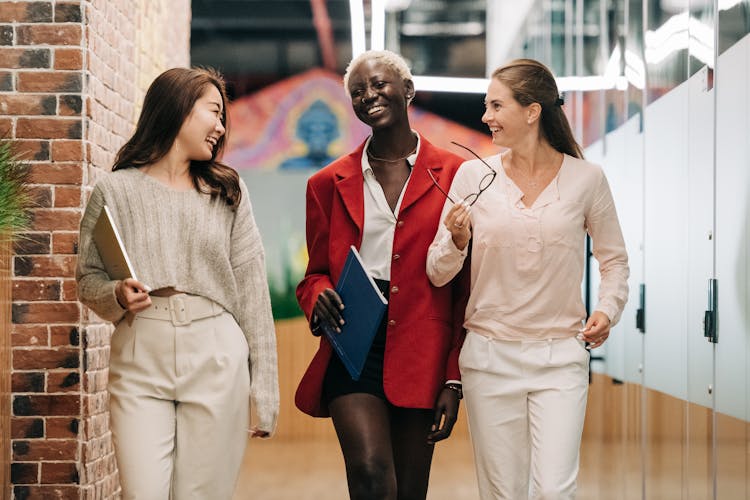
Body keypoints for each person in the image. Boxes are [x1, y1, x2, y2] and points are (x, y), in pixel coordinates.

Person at [426, 59, 629, 499]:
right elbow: (437, 272)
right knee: (503, 492)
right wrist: (456, 240)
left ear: (532, 111)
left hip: (560, 360)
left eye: (496, 105)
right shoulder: (473, 176)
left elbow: (614, 261)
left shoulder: (586, 179)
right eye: (486, 106)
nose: (486, 117)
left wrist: (607, 310)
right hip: (488, 360)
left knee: (556, 491)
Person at [76, 67, 279, 499]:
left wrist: (264, 387)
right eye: (214, 112)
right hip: (139, 353)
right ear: (179, 109)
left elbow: (252, 292)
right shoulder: (114, 190)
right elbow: (87, 277)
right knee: (143, 492)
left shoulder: (228, 192)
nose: (221, 127)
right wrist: (115, 293)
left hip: (217, 352)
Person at [294, 50, 469, 500]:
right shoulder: (325, 184)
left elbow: (466, 288)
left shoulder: (456, 175)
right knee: (371, 474)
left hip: (422, 347)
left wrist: (454, 378)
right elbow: (313, 274)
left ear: (407, 90)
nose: (368, 95)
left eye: (378, 85)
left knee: (409, 490)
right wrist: (318, 295)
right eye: (357, 91)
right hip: (352, 343)